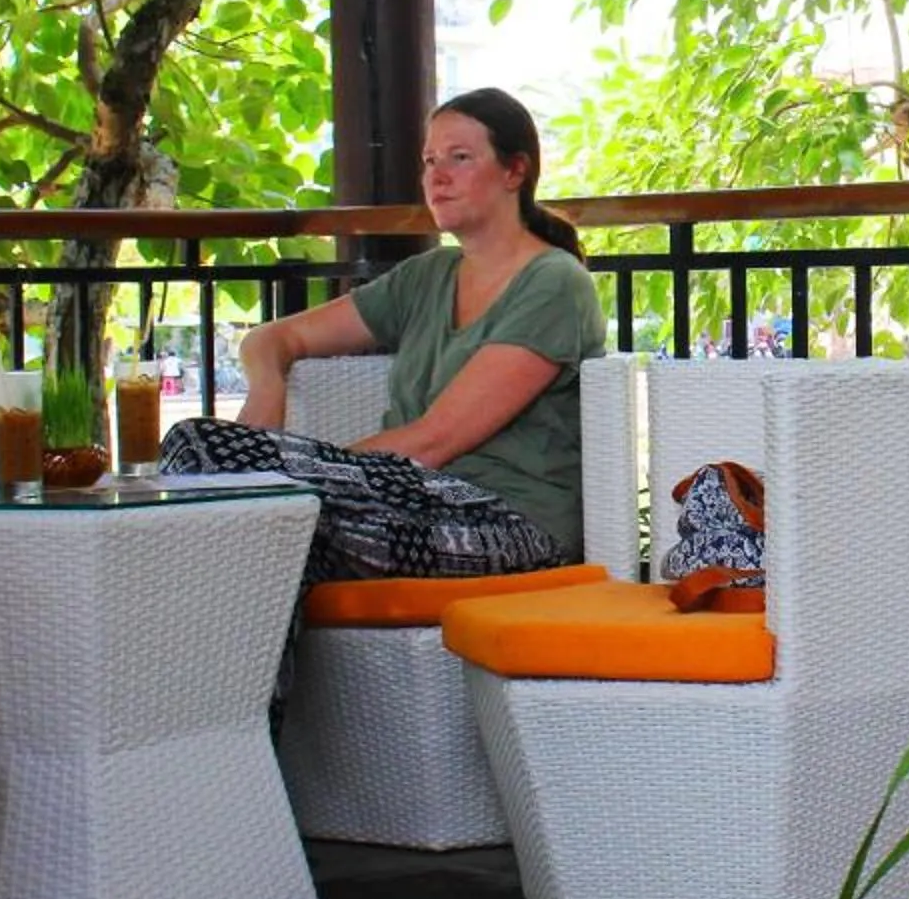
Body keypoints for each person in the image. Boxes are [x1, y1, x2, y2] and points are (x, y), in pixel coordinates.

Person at [160, 88, 607, 581]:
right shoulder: (427, 276)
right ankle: (213, 657)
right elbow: (271, 339)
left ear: (514, 171)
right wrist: (269, 388)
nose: (436, 177)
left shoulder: (555, 284)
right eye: (429, 160)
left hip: (508, 525)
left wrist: (293, 478)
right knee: (253, 533)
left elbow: (436, 441)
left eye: (460, 158)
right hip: (406, 503)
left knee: (205, 452)